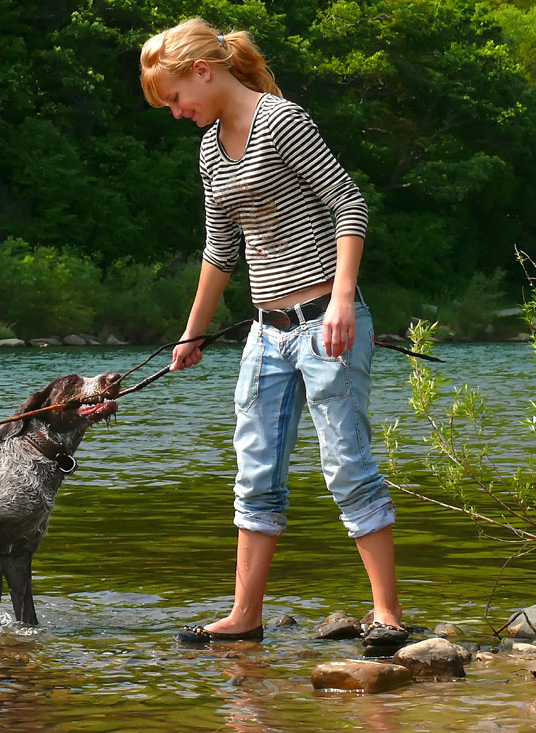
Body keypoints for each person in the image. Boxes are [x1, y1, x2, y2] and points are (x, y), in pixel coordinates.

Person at [139, 18, 406, 650]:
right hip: (265, 335)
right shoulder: (209, 149)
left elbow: (350, 205)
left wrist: (343, 300)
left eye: (175, 99)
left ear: (201, 71)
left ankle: (388, 616)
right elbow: (220, 249)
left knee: (347, 467)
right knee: (255, 473)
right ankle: (244, 617)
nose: (176, 113)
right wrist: (191, 333)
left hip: (326, 326)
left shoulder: (282, 121)